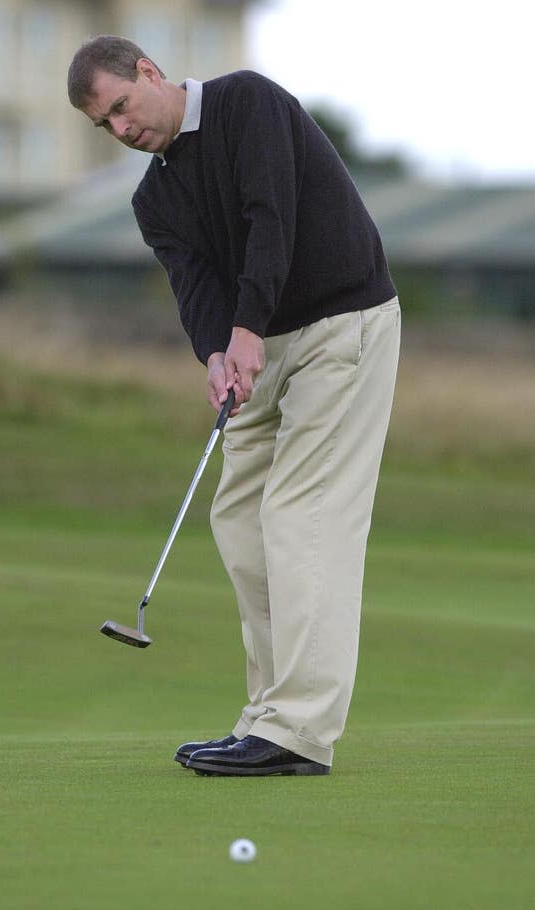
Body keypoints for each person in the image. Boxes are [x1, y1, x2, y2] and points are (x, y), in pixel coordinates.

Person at [68, 36, 400, 777]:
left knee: (301, 513)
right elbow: (194, 288)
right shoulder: (153, 198)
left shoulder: (246, 102)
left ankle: (299, 733)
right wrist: (216, 356)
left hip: (340, 323)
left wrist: (246, 328)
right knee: (240, 519)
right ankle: (267, 715)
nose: (120, 130)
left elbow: (269, 218)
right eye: (104, 125)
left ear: (148, 73)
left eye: (121, 106)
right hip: (259, 348)